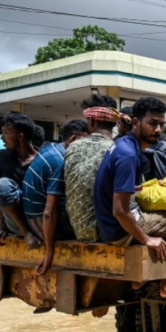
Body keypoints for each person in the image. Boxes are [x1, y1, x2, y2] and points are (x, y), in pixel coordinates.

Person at [94, 97, 166, 260]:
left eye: (161, 125)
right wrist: (147, 239)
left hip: (110, 226)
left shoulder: (124, 144)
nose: (158, 130)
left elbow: (127, 191)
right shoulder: (128, 156)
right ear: (136, 122)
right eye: (152, 123)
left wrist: (154, 185)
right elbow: (120, 211)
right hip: (119, 231)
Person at [23, 119, 87, 274]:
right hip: (41, 220)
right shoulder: (61, 162)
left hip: (33, 214)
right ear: (73, 139)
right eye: (84, 143)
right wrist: (49, 252)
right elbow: (49, 212)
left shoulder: (52, 148)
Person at [64, 94, 120, 242]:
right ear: (114, 124)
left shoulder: (72, 147)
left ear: (91, 120)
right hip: (107, 232)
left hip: (79, 230)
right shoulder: (120, 150)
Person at [0, 112, 42, 249]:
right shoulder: (1, 157)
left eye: (6, 133)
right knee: (2, 184)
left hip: (38, 219)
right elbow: (1, 197)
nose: (2, 138)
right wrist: (1, 227)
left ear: (20, 136)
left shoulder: (43, 160)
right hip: (16, 222)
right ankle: (26, 233)